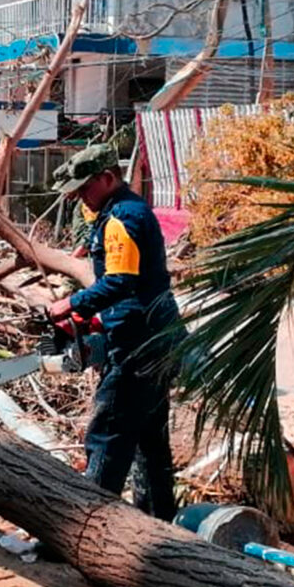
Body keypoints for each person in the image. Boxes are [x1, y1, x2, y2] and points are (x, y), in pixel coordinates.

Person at [46, 144, 180, 521]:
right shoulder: (127, 211)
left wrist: (73, 305)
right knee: (151, 439)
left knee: (109, 433)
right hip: (157, 333)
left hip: (138, 342)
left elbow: (121, 280)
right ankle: (158, 525)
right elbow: (136, 285)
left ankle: (87, 525)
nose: (81, 198)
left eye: (85, 189)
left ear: (107, 178)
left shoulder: (121, 217)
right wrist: (100, 318)